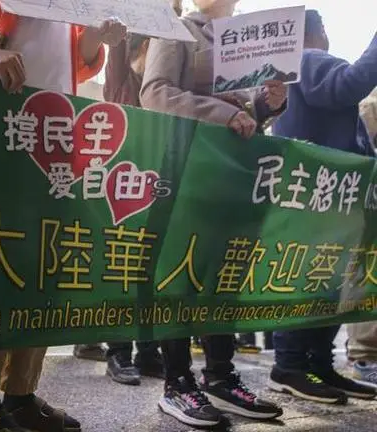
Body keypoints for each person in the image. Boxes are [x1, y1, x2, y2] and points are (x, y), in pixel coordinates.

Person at [0, 1, 124, 430]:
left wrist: (94, 37)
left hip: (54, 131)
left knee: (40, 265)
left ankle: (21, 394)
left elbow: (70, 60)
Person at [140, 0, 287, 427]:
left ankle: (221, 376)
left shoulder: (253, 37)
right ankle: (177, 382)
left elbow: (249, 111)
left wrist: (266, 105)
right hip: (185, 168)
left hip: (233, 175)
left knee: (223, 275)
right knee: (179, 274)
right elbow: (155, 92)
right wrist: (223, 113)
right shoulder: (179, 29)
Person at [268, 10, 377, 404]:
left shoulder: (292, 70)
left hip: (323, 193)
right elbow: (349, 86)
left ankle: (315, 364)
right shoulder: (307, 59)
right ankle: (292, 366)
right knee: (311, 281)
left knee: (323, 282)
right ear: (318, 32)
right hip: (321, 194)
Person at [99, 32, 164, 385]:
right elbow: (117, 48)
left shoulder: (169, 85)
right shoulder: (124, 81)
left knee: (153, 272)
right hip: (124, 190)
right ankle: (119, 353)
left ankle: (150, 353)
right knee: (123, 270)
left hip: (160, 184)